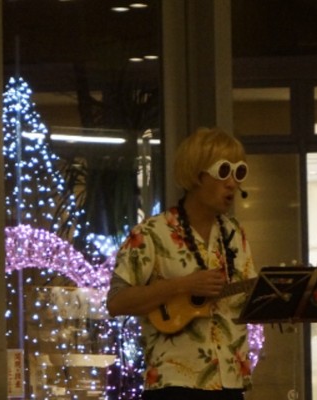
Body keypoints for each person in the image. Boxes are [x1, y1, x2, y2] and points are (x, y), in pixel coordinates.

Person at [107, 127, 257, 400]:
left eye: (239, 173)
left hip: (230, 381)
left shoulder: (235, 234)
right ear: (196, 175)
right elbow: (116, 302)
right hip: (172, 383)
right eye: (224, 171)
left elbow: (246, 300)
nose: (232, 183)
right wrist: (182, 286)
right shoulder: (151, 232)